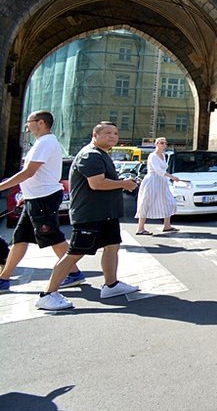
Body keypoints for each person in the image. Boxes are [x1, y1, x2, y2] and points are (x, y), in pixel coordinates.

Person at [35, 121, 140, 311]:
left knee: (112, 246)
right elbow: (96, 183)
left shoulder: (101, 154)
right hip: (90, 214)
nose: (112, 137)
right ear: (95, 134)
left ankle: (111, 285)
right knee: (75, 253)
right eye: (107, 133)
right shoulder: (90, 154)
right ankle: (48, 294)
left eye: (115, 133)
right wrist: (124, 184)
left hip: (105, 214)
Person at [0, 111, 84, 292]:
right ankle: (4, 278)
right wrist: (25, 194)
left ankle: (74, 273)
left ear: (41, 123)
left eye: (29, 122)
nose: (27, 126)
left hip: (43, 199)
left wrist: (2, 186)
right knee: (20, 239)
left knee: (53, 237)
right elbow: (35, 175)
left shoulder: (46, 142)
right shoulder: (42, 143)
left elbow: (29, 172)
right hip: (35, 198)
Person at [134, 137, 184, 235]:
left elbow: (163, 170)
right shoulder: (152, 156)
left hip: (162, 181)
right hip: (152, 180)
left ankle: (167, 226)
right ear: (156, 144)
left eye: (165, 143)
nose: (164, 145)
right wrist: (172, 177)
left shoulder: (163, 155)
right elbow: (158, 170)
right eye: (161, 143)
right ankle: (140, 228)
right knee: (146, 202)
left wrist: (169, 178)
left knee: (169, 201)